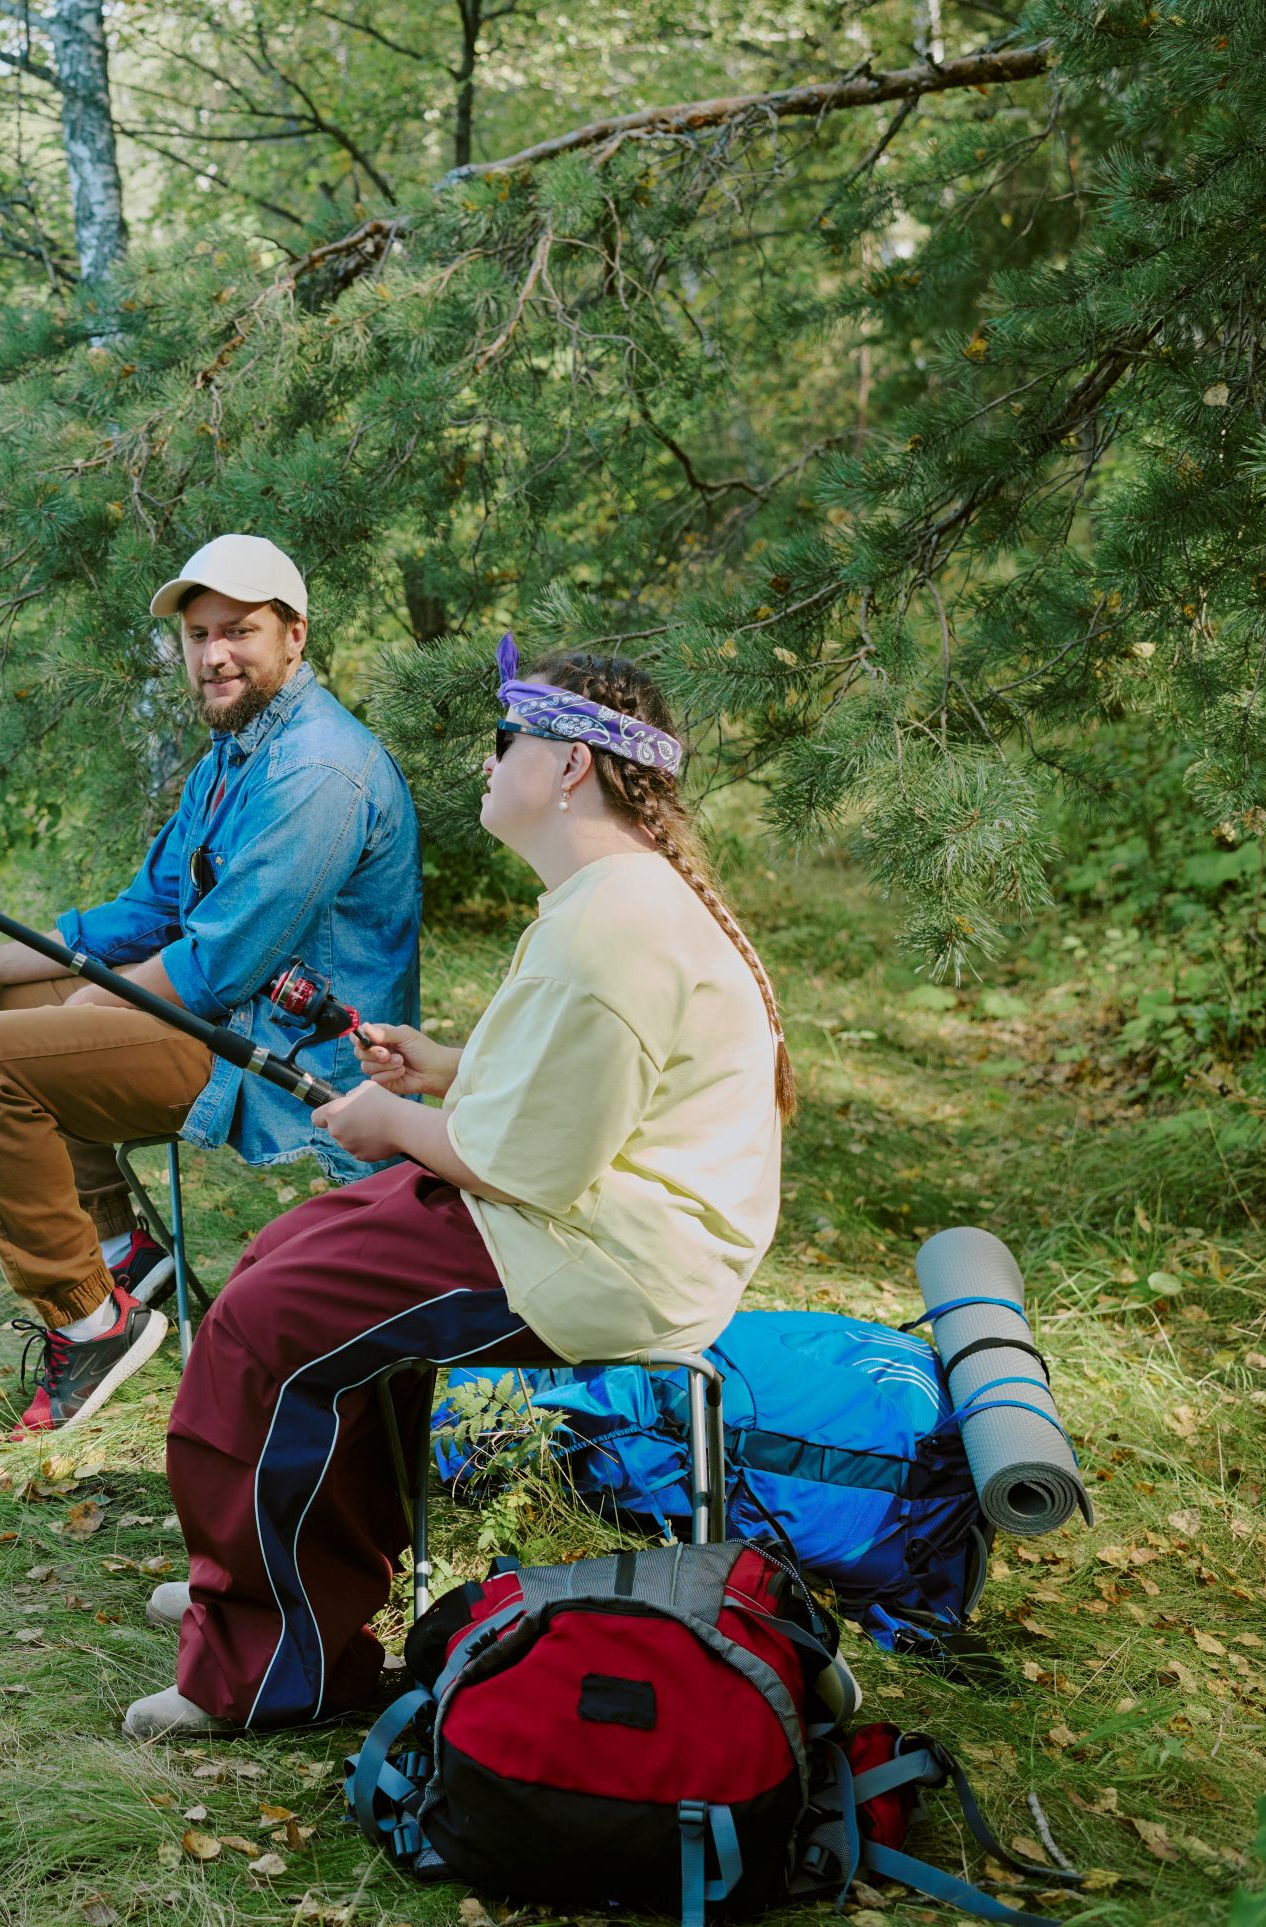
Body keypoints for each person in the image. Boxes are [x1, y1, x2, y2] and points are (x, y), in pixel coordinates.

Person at [125, 640, 797, 1739]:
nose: (486, 764)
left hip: (603, 1258)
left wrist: (391, 1122)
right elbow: (570, 1096)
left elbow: (528, 1162)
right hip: (572, 1220)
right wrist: (444, 1068)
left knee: (262, 1323)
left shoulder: (616, 923)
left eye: (506, 742)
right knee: (278, 1264)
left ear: (571, 765)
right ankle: (281, 1571)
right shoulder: (607, 899)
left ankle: (270, 1665)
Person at [0, 534, 421, 1437]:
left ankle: (91, 1323)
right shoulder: (235, 756)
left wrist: (80, 1013)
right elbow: (144, 913)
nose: (213, 654)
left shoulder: (320, 770)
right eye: (197, 634)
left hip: (278, 1060)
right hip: (224, 1025)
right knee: (14, 1010)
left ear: (295, 636)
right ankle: (120, 1253)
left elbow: (217, 964)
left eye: (239, 632)